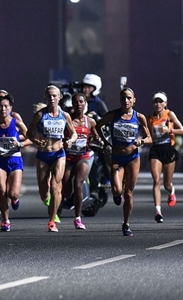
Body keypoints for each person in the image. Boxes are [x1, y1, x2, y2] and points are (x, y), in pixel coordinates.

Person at [96, 87, 151, 236]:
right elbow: (97, 126)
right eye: (123, 98)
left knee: (128, 194)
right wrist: (105, 143)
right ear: (120, 100)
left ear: (134, 100)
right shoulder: (113, 115)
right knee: (117, 190)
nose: (126, 101)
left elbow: (149, 137)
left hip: (132, 158)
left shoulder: (139, 117)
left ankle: (126, 224)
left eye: (128, 98)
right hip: (117, 158)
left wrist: (141, 141)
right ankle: (116, 194)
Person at [27, 85, 77, 232]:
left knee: (56, 186)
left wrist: (70, 141)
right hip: (43, 155)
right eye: (49, 96)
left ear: (59, 97)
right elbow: (29, 133)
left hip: (58, 154)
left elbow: (73, 133)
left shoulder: (65, 115)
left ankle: (52, 221)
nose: (52, 98)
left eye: (55, 96)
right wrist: (36, 141)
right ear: (45, 98)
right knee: (44, 192)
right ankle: (48, 201)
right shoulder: (40, 115)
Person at [0, 94, 29, 233]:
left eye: (6, 106)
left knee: (13, 193)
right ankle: (5, 220)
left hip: (15, 159)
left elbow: (31, 138)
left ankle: (15, 199)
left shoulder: (16, 122)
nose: (3, 109)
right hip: (0, 160)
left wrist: (20, 143)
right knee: (2, 191)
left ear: (10, 108)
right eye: (0, 106)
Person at [62, 93, 99, 230]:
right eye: (75, 102)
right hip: (68, 158)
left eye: (81, 101)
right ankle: (67, 199)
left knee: (78, 184)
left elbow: (95, 135)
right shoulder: (67, 120)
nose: (78, 104)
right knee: (67, 191)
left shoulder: (90, 121)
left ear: (85, 104)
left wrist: (97, 140)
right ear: (73, 104)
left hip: (83, 157)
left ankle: (77, 218)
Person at [146, 92, 183, 223]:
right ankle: (158, 211)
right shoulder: (149, 118)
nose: (158, 104)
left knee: (166, 183)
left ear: (165, 104)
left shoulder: (170, 115)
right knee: (156, 180)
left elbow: (182, 130)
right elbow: (148, 136)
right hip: (156, 149)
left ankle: (171, 190)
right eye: (155, 102)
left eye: (160, 101)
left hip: (168, 148)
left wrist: (170, 131)